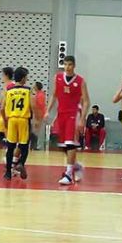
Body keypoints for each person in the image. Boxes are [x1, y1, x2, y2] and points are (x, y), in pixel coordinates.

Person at [45, 55, 90, 185]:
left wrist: (82, 119)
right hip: (61, 114)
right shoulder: (58, 78)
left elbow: (86, 101)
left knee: (70, 144)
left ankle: (69, 174)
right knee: (63, 146)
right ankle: (76, 166)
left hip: (74, 113)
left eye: (70, 64)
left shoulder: (80, 81)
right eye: (65, 64)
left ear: (74, 66)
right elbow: (54, 95)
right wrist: (48, 110)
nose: (67, 67)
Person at [2, 67, 38, 180]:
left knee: (10, 147)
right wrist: (36, 119)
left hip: (12, 119)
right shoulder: (28, 90)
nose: (27, 79)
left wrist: (5, 120)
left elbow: (2, 108)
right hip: (23, 120)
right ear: (23, 78)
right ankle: (21, 163)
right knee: (24, 146)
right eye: (26, 77)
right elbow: (33, 106)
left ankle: (8, 173)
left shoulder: (9, 90)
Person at [0, 67, 14, 145]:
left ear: (6, 75)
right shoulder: (8, 85)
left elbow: (4, 100)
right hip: (4, 113)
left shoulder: (10, 85)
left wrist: (1, 107)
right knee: (2, 134)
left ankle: (10, 149)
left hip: (7, 113)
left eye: (2, 75)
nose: (2, 76)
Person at [31, 82, 46, 150]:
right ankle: (36, 146)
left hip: (40, 116)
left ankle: (39, 147)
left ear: (37, 87)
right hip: (38, 115)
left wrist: (38, 119)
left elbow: (40, 107)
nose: (33, 87)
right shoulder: (38, 94)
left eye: (34, 86)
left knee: (39, 132)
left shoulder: (40, 95)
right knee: (36, 131)